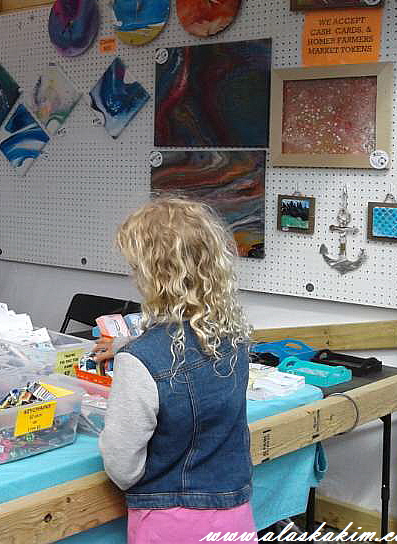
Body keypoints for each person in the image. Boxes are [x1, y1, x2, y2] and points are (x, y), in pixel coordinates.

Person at [97, 197, 256, 543]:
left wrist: (133, 355)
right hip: (234, 515)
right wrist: (128, 347)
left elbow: (123, 467)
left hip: (169, 522)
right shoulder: (234, 338)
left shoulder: (140, 362)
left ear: (155, 276)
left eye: (136, 268)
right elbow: (187, 357)